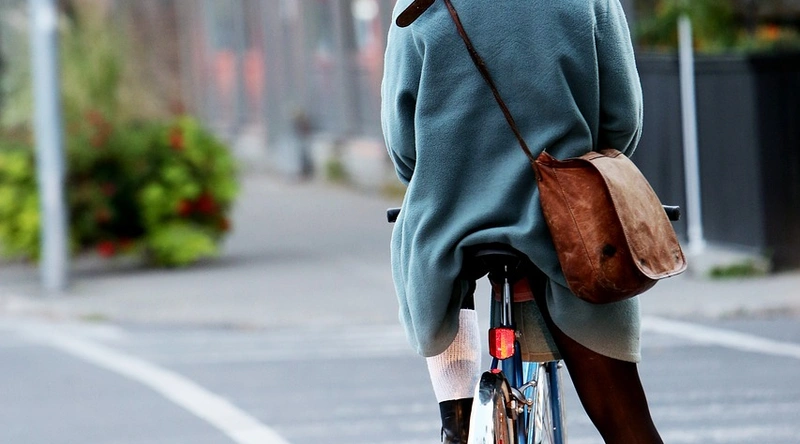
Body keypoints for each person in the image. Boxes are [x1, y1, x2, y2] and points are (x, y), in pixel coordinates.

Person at [380, 0, 664, 443]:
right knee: (624, 418)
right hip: (561, 225)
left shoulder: (418, 4)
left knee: (436, 265)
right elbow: (622, 123)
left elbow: (403, 148)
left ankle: (457, 421)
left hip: (450, 221)